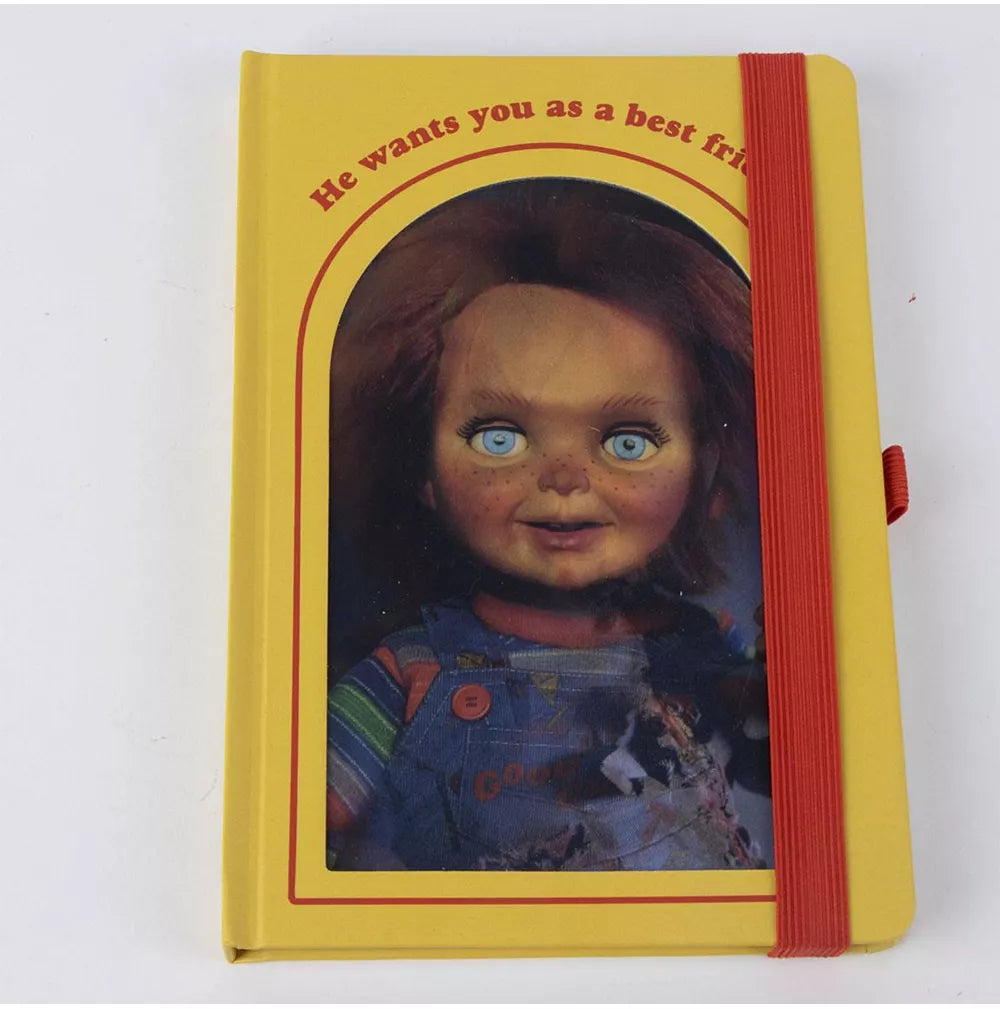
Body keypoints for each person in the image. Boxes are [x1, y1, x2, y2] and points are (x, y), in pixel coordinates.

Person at [326, 179, 770, 871]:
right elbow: (298, 835)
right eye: (498, 437)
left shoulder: (707, 647)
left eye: (628, 441)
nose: (564, 477)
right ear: (421, 469)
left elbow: (790, 775)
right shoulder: (407, 673)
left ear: (705, 476)